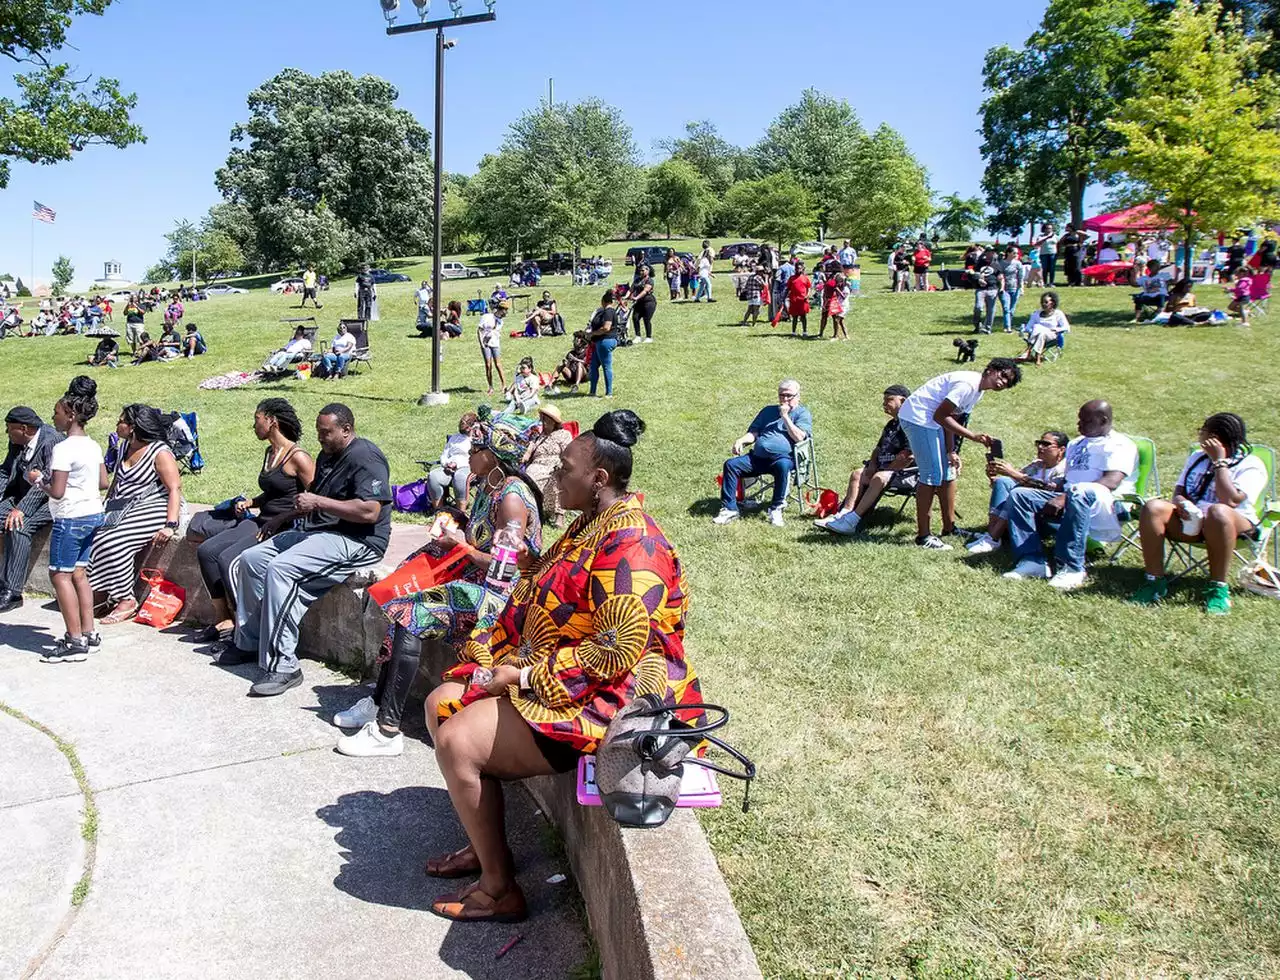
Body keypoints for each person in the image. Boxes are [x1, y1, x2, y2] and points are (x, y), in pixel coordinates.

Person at [420, 410, 702, 922]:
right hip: (561, 674)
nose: (553, 476)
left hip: (605, 698)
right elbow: (555, 586)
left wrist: (522, 675)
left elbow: (616, 654)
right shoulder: (593, 524)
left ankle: (499, 888)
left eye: (564, 468)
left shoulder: (633, 547)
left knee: (459, 741)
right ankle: (486, 850)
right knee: (439, 704)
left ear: (598, 479)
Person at [335, 410, 543, 757]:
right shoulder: (488, 486)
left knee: (411, 613)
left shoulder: (511, 498)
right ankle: (378, 702)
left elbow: (504, 569)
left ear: (492, 455)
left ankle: (387, 730)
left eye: (475, 449)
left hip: (502, 597)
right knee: (405, 598)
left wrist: (460, 545)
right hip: (476, 580)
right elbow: (481, 535)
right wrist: (455, 519)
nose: (468, 455)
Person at [228, 404, 391, 696]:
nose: (320, 438)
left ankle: (284, 666)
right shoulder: (327, 455)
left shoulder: (365, 456)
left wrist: (319, 503)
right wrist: (281, 518)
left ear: (346, 430)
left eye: (326, 432)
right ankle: (250, 642)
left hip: (358, 541)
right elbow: (311, 498)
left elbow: (369, 512)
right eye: (318, 432)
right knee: (252, 559)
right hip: (322, 532)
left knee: (282, 569)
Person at [188, 400, 315, 650]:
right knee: (207, 552)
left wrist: (284, 520)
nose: (253, 425)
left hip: (283, 527)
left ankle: (247, 631)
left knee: (227, 560)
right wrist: (252, 502)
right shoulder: (270, 453)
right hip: (262, 520)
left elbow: (315, 498)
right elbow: (275, 492)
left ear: (272, 421)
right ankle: (224, 620)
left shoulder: (298, 457)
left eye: (257, 418)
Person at [1130, 413, 1267, 615]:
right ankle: (1154, 582)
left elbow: (1230, 500)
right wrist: (1182, 504)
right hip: (1193, 522)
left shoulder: (1250, 465)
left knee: (1218, 511)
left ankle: (1218, 589)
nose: (1199, 434)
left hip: (1234, 524)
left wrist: (1220, 462)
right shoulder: (1197, 458)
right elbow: (1179, 492)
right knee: (1153, 508)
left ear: (1214, 438)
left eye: (1202, 431)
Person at [1002, 400, 1137, 590]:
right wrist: (1051, 488)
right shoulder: (1075, 444)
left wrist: (1065, 497)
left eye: (1086, 421)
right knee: (1020, 495)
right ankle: (1032, 560)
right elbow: (1068, 479)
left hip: (1107, 502)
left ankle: (1072, 567)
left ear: (1103, 420)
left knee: (1078, 492)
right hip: (1070, 495)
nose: (1079, 425)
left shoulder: (1120, 445)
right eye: (1079, 419)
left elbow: (1112, 481)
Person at [897, 359, 1022, 550]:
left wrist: (950, 451)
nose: (1003, 382)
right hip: (919, 419)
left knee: (948, 472)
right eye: (1003, 375)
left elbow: (951, 418)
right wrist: (973, 436)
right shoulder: (967, 385)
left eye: (1008, 382)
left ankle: (949, 528)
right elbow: (940, 416)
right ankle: (924, 536)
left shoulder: (977, 391)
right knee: (931, 476)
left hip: (931, 421)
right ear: (990, 370)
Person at [25, 379, 108, 661]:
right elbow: (103, 481)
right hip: (92, 513)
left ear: (70, 415)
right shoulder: (93, 445)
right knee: (79, 574)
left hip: (70, 517)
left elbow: (58, 492)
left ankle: (74, 642)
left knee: (59, 575)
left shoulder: (63, 448)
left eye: (56, 412)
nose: (53, 417)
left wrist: (38, 481)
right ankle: (89, 632)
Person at [89, 405, 184, 624]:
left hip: (153, 507)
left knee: (114, 541)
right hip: (122, 507)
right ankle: (102, 593)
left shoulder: (160, 452)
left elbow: (174, 489)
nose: (117, 425)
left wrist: (171, 523)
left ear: (133, 427)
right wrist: (106, 505)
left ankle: (126, 599)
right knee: (93, 534)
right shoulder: (125, 447)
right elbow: (116, 482)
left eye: (120, 421)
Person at [814, 385, 915, 536]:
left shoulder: (910, 425)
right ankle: (843, 514)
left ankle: (853, 520)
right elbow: (878, 449)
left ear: (903, 401)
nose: (884, 404)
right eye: (884, 400)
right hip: (882, 468)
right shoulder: (891, 424)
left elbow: (907, 457)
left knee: (878, 477)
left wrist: (885, 470)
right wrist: (873, 463)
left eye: (889, 400)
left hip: (905, 473)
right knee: (857, 474)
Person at [713, 379, 813, 528]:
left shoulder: (802, 414)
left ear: (798, 396)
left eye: (789, 396)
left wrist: (785, 417)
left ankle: (776, 508)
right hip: (758, 458)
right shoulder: (768, 411)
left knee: (783, 465)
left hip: (783, 458)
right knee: (731, 465)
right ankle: (729, 509)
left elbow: (799, 438)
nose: (785, 399)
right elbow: (754, 433)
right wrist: (741, 441)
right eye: (781, 395)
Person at [0, 406, 64, 614]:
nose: (7, 433)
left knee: (19, 527)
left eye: (10, 429)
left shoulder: (50, 441)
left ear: (24, 428)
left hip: (49, 498)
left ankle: (13, 591)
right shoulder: (18, 441)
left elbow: (48, 480)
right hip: (21, 494)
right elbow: (6, 470)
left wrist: (22, 510)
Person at [965, 431, 1068, 554]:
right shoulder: (1038, 464)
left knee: (1018, 492)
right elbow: (1013, 482)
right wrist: (994, 477)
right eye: (1039, 443)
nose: (1040, 447)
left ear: (1061, 450)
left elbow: (1049, 490)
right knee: (1003, 482)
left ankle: (993, 537)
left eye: (1046, 444)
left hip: (1046, 517)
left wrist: (1013, 473)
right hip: (1024, 510)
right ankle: (992, 535)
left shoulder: (1065, 469)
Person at [522, 403, 574, 526]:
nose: (543, 423)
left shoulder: (563, 435)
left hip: (553, 466)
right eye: (542, 419)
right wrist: (529, 447)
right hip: (535, 468)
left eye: (546, 420)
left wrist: (561, 464)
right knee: (527, 480)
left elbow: (568, 453)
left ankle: (559, 516)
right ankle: (532, 512)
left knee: (557, 476)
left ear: (554, 422)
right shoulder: (538, 438)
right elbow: (526, 456)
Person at [427, 411, 478, 509]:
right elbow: (444, 454)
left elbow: (474, 458)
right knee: (433, 476)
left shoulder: (476, 439)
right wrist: (446, 464)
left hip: (468, 466)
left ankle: (460, 513)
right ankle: (439, 510)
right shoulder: (454, 438)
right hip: (449, 466)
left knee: (459, 477)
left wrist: (456, 464)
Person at [1017, 290, 1071, 364]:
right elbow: (1028, 327)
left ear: (1053, 303)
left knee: (1040, 330)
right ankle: (1037, 357)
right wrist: (1030, 330)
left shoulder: (1058, 314)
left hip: (1052, 335)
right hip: (1037, 335)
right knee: (1039, 330)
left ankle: (1028, 351)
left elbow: (1067, 328)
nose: (1043, 304)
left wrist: (1056, 329)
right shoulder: (1036, 314)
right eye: (1042, 302)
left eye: (1046, 302)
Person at [587, 289, 620, 398]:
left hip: (605, 340)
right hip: (599, 342)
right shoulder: (604, 311)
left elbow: (606, 327)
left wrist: (592, 334)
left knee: (606, 366)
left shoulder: (609, 312)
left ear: (603, 300)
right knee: (593, 366)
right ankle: (592, 391)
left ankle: (609, 393)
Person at [477, 299, 508, 396]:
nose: (506, 313)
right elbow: (479, 330)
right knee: (488, 365)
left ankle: (504, 385)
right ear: (500, 309)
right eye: (505, 310)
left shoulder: (500, 321)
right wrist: (481, 343)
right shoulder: (486, 317)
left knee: (498, 364)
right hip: (485, 343)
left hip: (495, 343)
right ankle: (490, 387)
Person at [773, 260, 812, 335]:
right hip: (794, 300)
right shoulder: (791, 278)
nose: (798, 270)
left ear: (802, 269)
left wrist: (807, 295)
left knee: (803, 317)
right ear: (795, 269)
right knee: (794, 317)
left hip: (802, 300)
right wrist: (783, 298)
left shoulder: (805, 278)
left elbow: (809, 287)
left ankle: (804, 331)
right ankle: (793, 332)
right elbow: (787, 289)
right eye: (797, 268)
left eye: (800, 268)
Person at [972, 249, 1003, 334]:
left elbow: (1000, 276)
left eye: (992, 252)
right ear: (986, 253)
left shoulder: (996, 264)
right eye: (989, 252)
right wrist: (979, 280)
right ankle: (977, 325)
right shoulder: (980, 263)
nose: (991, 254)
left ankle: (987, 328)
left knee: (991, 310)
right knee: (978, 307)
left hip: (993, 289)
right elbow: (974, 274)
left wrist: (1001, 286)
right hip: (981, 289)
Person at [997, 245, 1025, 332]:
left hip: (1015, 288)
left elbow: (1021, 277)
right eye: (1014, 253)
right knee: (1006, 308)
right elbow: (999, 275)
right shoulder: (1001, 263)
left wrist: (1021, 288)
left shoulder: (1018, 263)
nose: (1016, 254)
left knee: (1012, 310)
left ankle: (1008, 324)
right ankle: (1007, 327)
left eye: (1017, 253)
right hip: (1004, 289)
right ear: (1008, 253)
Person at [629, 264, 657, 343]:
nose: (641, 272)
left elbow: (645, 291)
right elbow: (631, 289)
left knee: (646, 319)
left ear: (647, 271)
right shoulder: (637, 280)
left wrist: (636, 297)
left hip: (649, 302)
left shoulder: (650, 280)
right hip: (639, 303)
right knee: (635, 318)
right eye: (640, 270)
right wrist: (626, 296)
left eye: (643, 270)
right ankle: (638, 336)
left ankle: (649, 337)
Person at [824, 273, 850, 341]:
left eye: (840, 282)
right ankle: (846, 336)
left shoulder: (846, 289)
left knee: (837, 320)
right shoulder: (840, 287)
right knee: (841, 321)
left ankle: (836, 336)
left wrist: (838, 290)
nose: (838, 284)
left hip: (844, 306)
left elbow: (843, 297)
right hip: (839, 305)